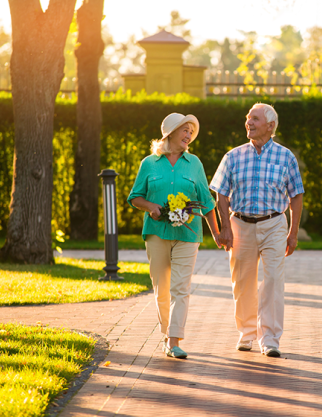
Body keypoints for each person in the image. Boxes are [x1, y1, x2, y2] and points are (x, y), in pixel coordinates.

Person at [210, 103, 304, 358]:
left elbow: (296, 196)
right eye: (247, 118)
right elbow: (220, 193)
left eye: (255, 119)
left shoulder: (286, 157)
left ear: (270, 126)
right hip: (240, 224)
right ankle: (247, 334)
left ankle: (270, 338)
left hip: (274, 223)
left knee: (273, 279)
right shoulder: (233, 156)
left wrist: (292, 233)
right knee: (243, 282)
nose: (248, 123)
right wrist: (225, 227)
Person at [128, 113, 220, 359]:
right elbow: (135, 196)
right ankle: (167, 333)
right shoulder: (150, 163)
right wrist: (151, 207)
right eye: (185, 130)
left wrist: (218, 234)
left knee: (181, 287)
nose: (189, 135)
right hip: (156, 233)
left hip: (188, 235)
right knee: (162, 289)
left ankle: (173, 340)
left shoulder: (195, 164)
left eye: (191, 131)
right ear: (170, 133)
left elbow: (206, 201)